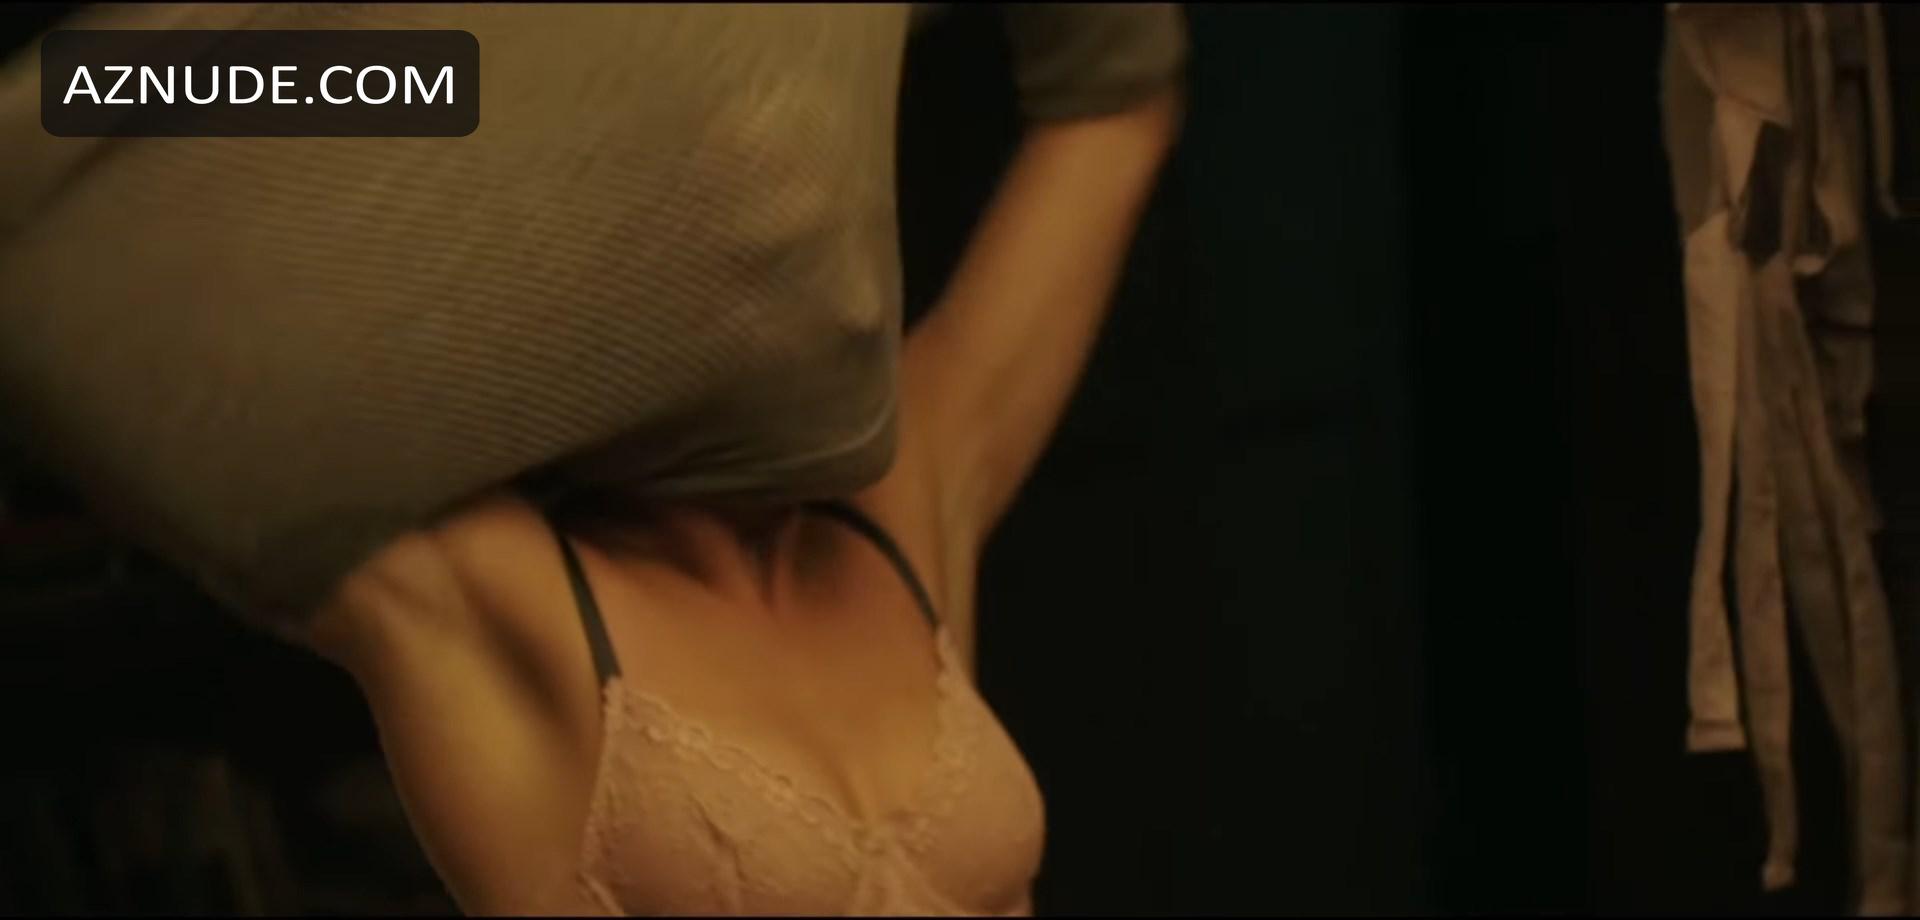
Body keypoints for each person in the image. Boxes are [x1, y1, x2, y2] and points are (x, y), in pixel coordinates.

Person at [283, 44, 1183, 920]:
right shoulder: (496, 594)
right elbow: (217, 383)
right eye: (734, 232)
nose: (800, 260)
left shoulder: (895, 505)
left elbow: (1113, 111)